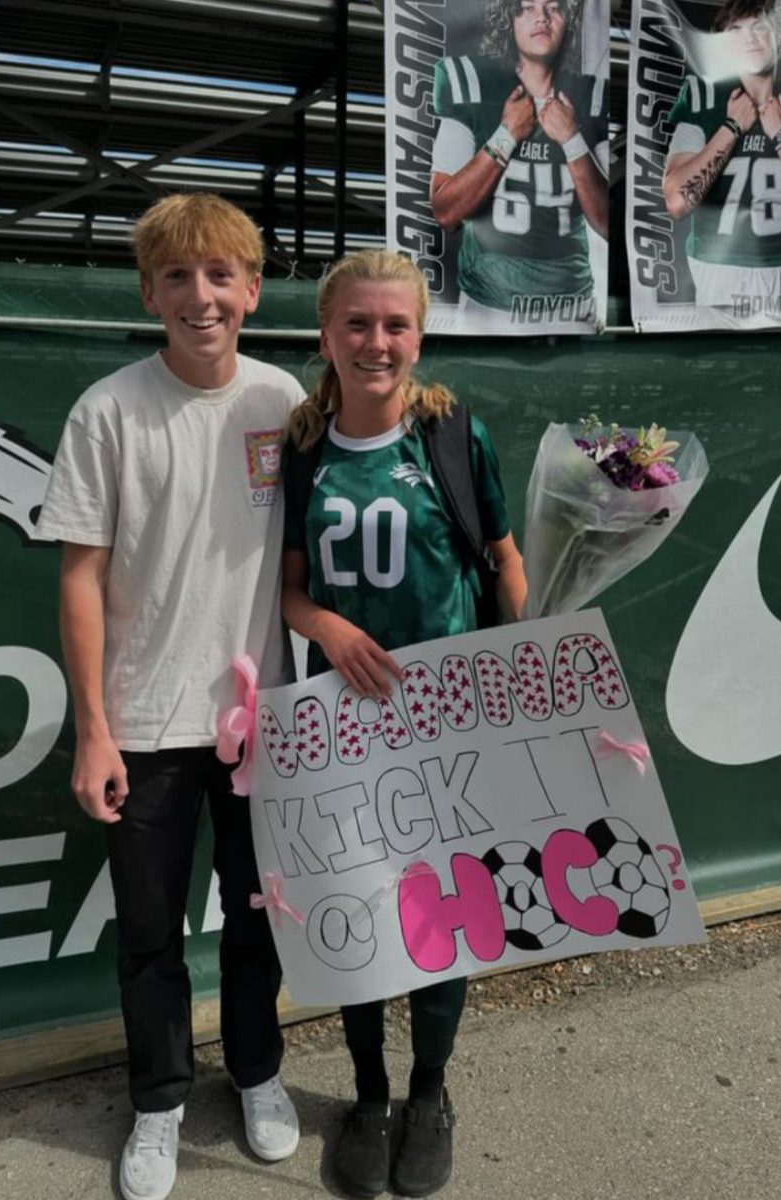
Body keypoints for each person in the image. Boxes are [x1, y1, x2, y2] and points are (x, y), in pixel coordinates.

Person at [36, 192, 305, 1200]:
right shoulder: (107, 411)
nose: (203, 296)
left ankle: (259, 1073)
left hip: (259, 725)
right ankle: (159, 1101)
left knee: (256, 918)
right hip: (144, 729)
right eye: (180, 277)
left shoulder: (285, 400)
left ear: (252, 287)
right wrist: (94, 734)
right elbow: (79, 580)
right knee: (149, 933)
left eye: (222, 274)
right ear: (151, 292)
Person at [280, 249, 527, 1198]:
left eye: (395, 325)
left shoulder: (452, 435)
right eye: (356, 324)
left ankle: (429, 1094)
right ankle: (369, 1095)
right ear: (325, 337)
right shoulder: (302, 449)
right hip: (342, 730)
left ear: (417, 337)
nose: (375, 342)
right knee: (354, 914)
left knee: (437, 916)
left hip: (445, 729)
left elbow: (503, 561)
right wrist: (330, 629)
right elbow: (292, 591)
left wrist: (511, 672)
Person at [429, 0, 608, 321]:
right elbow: (445, 211)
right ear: (507, 21)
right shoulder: (471, 83)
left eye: (553, 8)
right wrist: (506, 134)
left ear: (567, 22)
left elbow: (608, 224)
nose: (541, 17)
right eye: (527, 8)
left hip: (572, 307)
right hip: (488, 309)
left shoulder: (589, 96)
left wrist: (572, 141)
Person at [663, 0, 781, 309]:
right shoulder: (702, 94)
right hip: (717, 267)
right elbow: (677, 200)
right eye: (737, 31)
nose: (751, 39)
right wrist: (731, 127)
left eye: (760, 29)